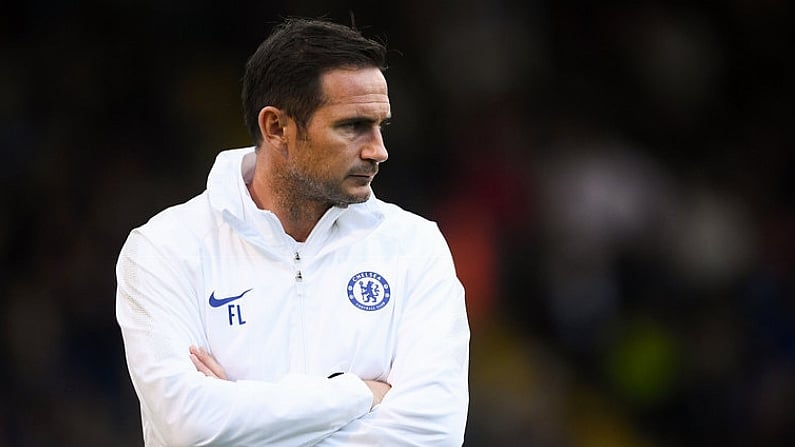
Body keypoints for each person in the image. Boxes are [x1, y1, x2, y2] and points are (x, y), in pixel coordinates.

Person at [115, 17, 470, 446]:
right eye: (352, 126)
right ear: (277, 128)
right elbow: (189, 426)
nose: (379, 150)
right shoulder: (164, 249)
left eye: (381, 126)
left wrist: (236, 417)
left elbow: (432, 434)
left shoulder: (415, 247)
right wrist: (358, 393)